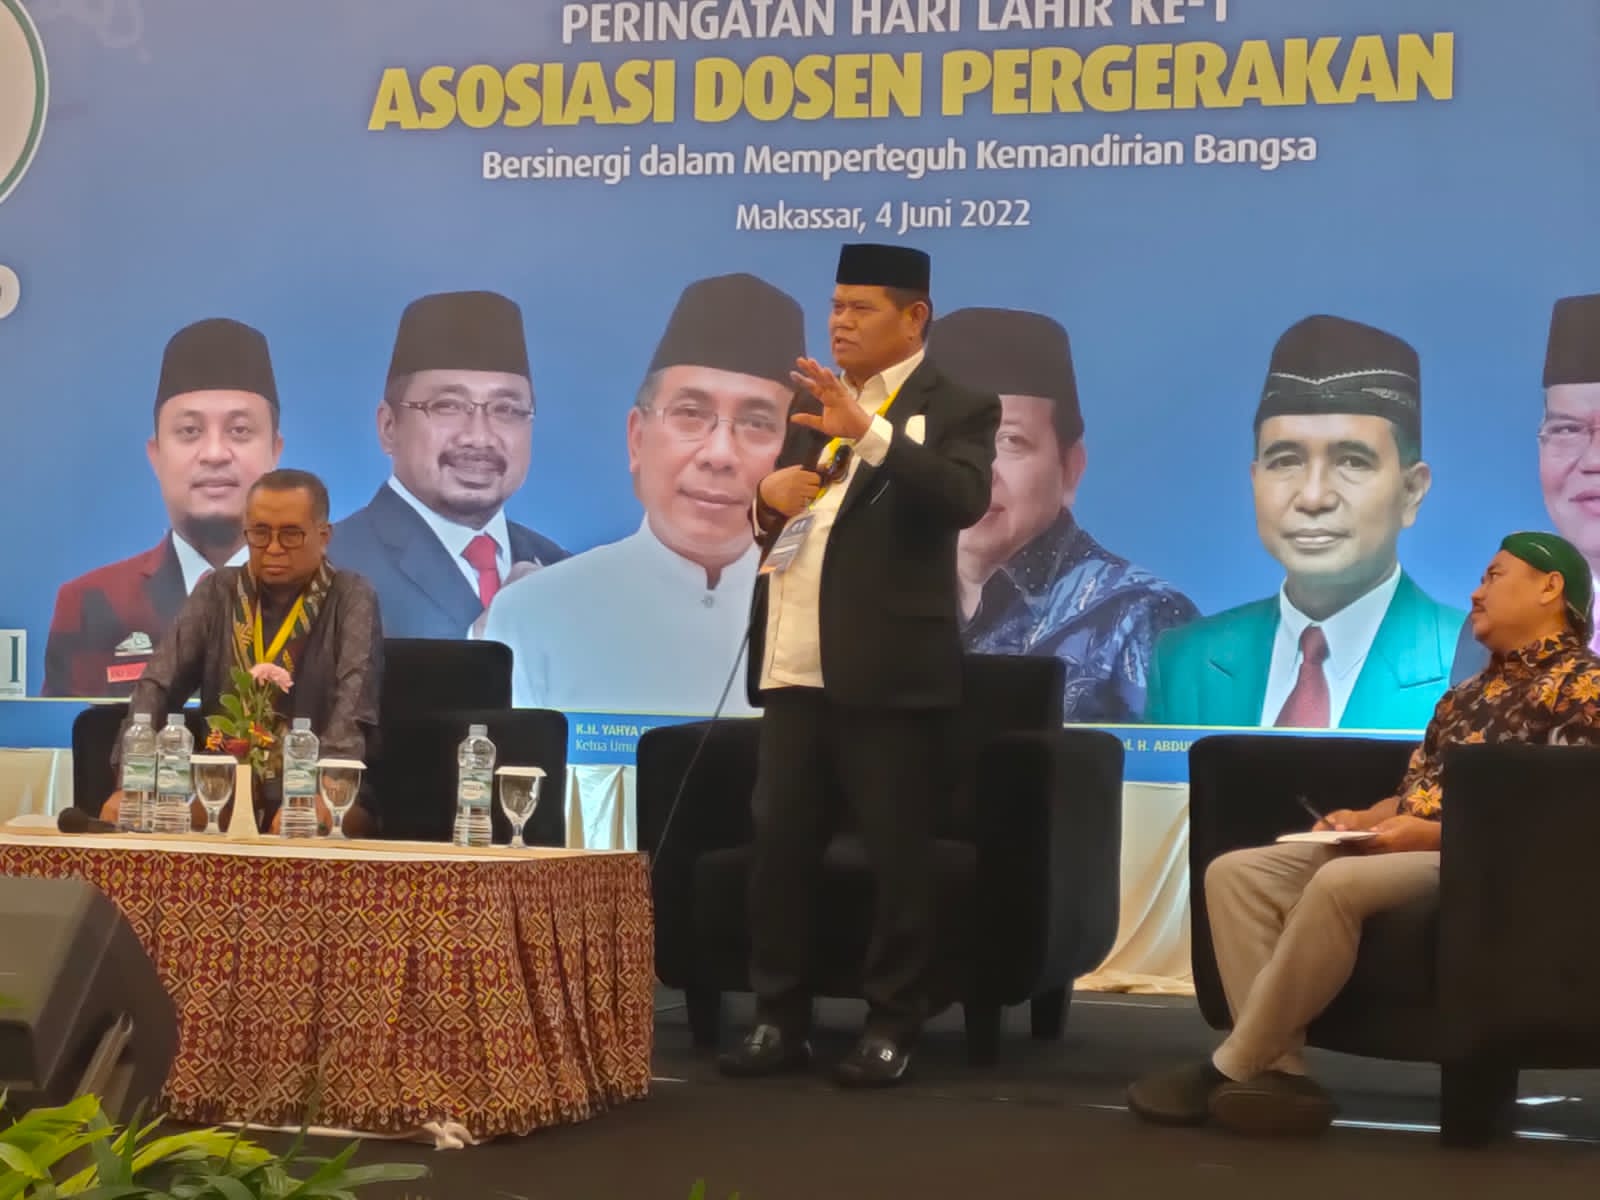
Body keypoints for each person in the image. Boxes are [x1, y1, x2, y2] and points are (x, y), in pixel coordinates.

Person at [1127, 531, 1600, 1137]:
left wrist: (1427, 837)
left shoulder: (1583, 687)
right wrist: (1362, 819)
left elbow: (1561, 818)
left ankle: (1232, 1065)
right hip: (1416, 847)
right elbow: (1414, 793)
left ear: (1550, 587)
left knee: (1342, 884)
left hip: (1488, 865)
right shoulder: (1464, 696)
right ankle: (1280, 1075)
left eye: (1493, 576)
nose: (1475, 594)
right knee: (1235, 874)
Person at [717, 244, 1001, 1088]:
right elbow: (795, 516)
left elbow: (961, 498)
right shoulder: (813, 405)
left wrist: (867, 430)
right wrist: (763, 501)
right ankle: (778, 1018)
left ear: (914, 318)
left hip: (890, 671)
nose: (839, 322)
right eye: (835, 306)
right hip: (795, 663)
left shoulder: (959, 405)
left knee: (896, 859)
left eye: (860, 308)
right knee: (780, 851)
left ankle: (892, 1021)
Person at [481, 273, 804, 715]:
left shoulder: (833, 620)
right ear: (637, 439)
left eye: (757, 423)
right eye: (691, 414)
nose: (719, 455)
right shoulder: (532, 612)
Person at [1145, 314, 1464, 731]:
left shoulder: (1479, 667)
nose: (1313, 497)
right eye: (1285, 461)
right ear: (1255, 481)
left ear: (1411, 491)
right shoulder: (1185, 664)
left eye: (1352, 461)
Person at [930, 307, 1198, 722]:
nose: (979, 470)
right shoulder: (887, 597)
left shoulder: (1140, 615)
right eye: (953, 439)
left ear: (1071, 468)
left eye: (1010, 441)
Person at [100, 469, 383, 837]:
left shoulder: (351, 595)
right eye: (260, 533)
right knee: (177, 818)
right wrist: (131, 783)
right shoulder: (218, 591)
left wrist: (324, 792)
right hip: (222, 783)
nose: (274, 548)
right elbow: (158, 685)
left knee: (324, 819)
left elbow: (354, 704)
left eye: (291, 534)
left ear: (324, 536)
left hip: (323, 783)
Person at [44, 318, 284, 697]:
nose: (215, 453)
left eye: (239, 430)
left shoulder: (331, 601)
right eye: (190, 431)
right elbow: (63, 733)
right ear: (155, 455)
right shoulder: (90, 603)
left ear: (275, 453)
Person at [333, 290, 566, 639]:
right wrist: (486, 640)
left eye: (506, 409)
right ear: (388, 427)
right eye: (447, 406)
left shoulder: (562, 570)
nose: (479, 437)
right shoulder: (323, 570)